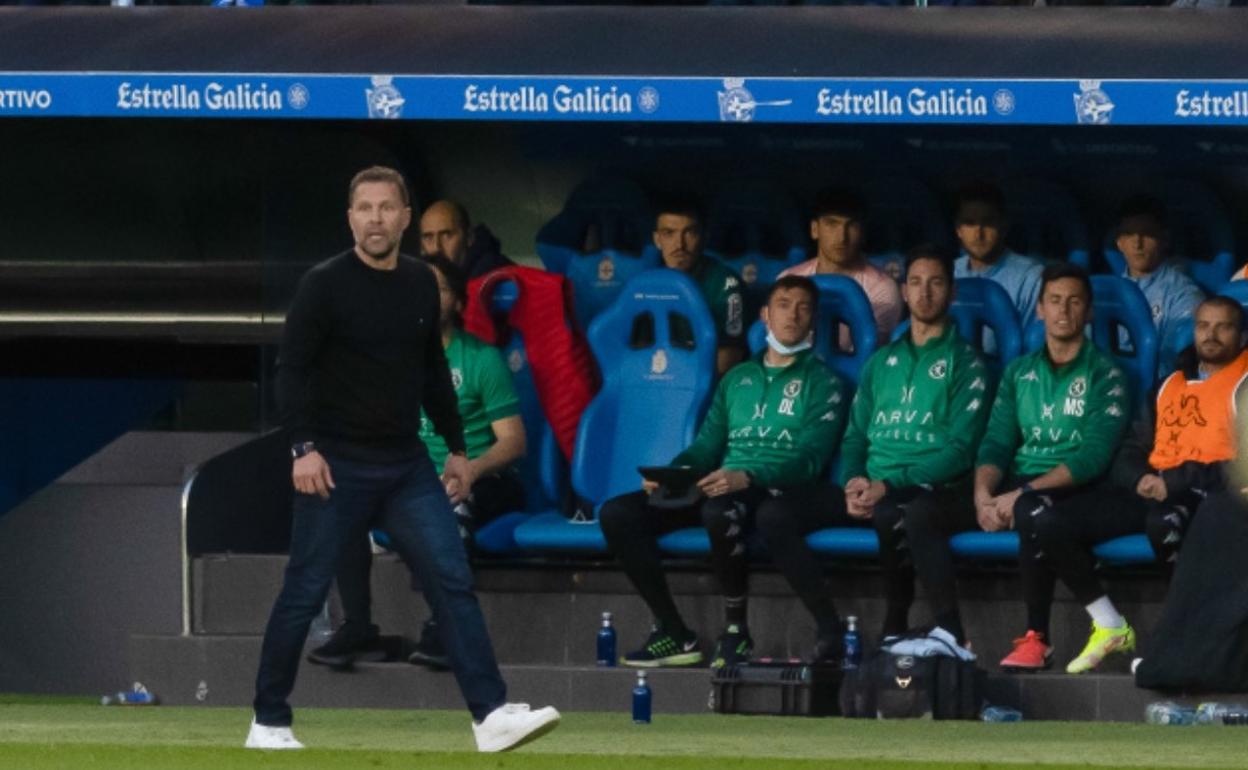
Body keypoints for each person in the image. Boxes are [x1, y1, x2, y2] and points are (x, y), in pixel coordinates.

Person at [246, 166, 558, 753]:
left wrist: (459, 450)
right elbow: (292, 371)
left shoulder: (419, 283)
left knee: (451, 578)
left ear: (405, 218)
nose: (375, 219)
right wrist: (302, 448)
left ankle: (490, 716)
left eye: (386, 208)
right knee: (304, 589)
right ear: (350, 219)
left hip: (405, 465)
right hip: (335, 463)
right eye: (364, 208)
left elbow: (432, 373)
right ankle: (268, 721)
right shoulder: (323, 284)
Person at [599, 275, 854, 668]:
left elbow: (809, 460)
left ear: (813, 320)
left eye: (803, 308)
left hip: (769, 487)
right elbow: (706, 447)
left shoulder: (825, 382)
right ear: (765, 315)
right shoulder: (737, 378)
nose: (793, 315)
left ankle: (736, 630)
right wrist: (673, 475)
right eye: (784, 305)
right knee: (618, 514)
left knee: (718, 509)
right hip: (722, 483)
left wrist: (747, 476)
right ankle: (674, 632)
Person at [307, 253, 528, 672]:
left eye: (435, 288)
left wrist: (470, 469)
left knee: (447, 508)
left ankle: (445, 629)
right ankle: (358, 628)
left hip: (482, 479)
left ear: (458, 302)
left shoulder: (481, 359)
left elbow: (514, 442)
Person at [974, 262, 1135, 675]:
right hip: (1024, 485)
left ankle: (1040, 638)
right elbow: (996, 442)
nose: (1064, 310)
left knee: (1033, 510)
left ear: (1089, 311)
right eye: (1055, 300)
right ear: (1040, 309)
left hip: (1083, 488)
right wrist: (982, 496)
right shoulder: (1018, 372)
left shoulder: (1107, 374)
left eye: (1074, 301)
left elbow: (1093, 457)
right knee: (922, 512)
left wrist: (1022, 494)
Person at [840, 245, 992, 645]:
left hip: (942, 489)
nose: (925, 293)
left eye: (936, 283)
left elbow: (961, 451)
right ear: (904, 292)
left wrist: (889, 484)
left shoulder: (967, 362)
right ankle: (886, 629)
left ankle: (941, 631)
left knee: (903, 510)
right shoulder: (880, 362)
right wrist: (854, 480)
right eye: (916, 283)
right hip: (878, 489)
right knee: (780, 513)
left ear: (951, 292)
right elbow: (855, 436)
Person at [1111, 296, 1248, 571]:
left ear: (1243, 337)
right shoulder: (1168, 384)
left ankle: (1184, 598)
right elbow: (1133, 445)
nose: (1211, 335)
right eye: (1203, 326)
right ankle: (1101, 601)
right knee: (1053, 521)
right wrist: (1140, 478)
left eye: (1223, 327)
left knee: (1163, 522)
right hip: (1155, 488)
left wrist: (1173, 482)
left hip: (1213, 493)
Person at [780, 187, 903, 348]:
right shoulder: (788, 279)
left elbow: (868, 355)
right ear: (815, 229)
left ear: (862, 233)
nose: (842, 237)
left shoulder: (882, 288)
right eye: (832, 224)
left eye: (851, 226)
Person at [652, 197, 747, 374]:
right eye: (669, 233)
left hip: (706, 382)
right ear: (657, 239)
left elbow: (727, 360)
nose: (679, 245)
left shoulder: (726, 283)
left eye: (690, 233)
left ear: (704, 237)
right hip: (657, 378)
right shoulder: (647, 282)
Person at [1114, 195, 1205, 378]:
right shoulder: (1107, 291)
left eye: (1147, 234)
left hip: (1151, 386)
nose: (1137, 243)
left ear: (1164, 239)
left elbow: (1170, 362)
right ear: (1119, 243)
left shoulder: (1182, 293)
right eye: (1129, 234)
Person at [952, 182, 1043, 332]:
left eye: (988, 223)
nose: (978, 234)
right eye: (970, 223)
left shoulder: (1030, 277)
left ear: (1003, 226)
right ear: (958, 230)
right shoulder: (949, 272)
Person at [420, 199, 515, 279]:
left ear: (469, 237)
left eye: (446, 235)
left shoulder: (495, 277)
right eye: (428, 237)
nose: (437, 247)